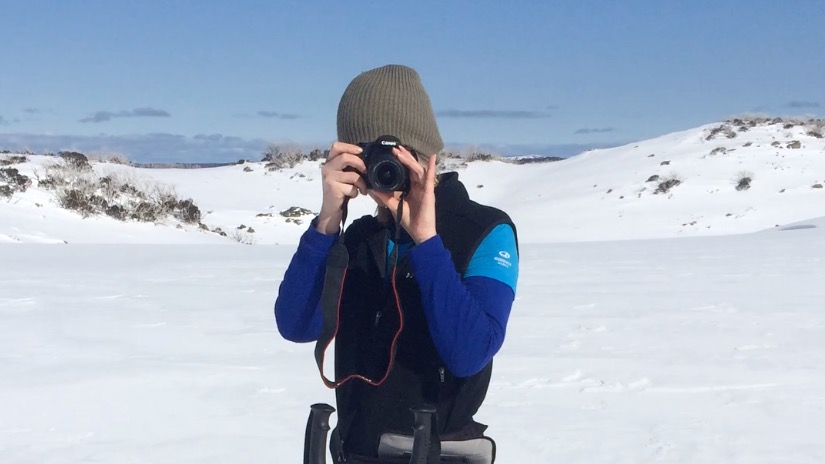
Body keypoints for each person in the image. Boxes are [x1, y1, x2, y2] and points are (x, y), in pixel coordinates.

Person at [274, 64, 518, 464]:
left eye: (396, 154)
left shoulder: (486, 231)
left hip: (437, 453)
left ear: (425, 153)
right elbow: (296, 325)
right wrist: (327, 223)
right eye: (368, 155)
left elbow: (469, 353)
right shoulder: (357, 240)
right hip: (353, 451)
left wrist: (426, 242)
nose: (384, 171)